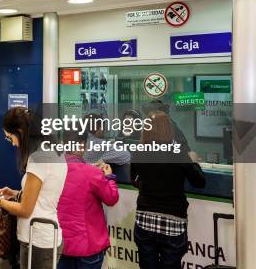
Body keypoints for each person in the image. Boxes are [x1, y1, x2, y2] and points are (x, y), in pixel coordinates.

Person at [0, 107, 67, 269]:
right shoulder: (55, 152)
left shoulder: (38, 159)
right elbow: (43, 195)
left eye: (10, 137)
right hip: (48, 237)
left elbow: (25, 209)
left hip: (37, 240)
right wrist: (15, 194)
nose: (13, 143)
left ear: (20, 131)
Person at [130, 111, 206, 269]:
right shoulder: (178, 153)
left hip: (145, 220)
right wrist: (193, 161)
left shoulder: (139, 151)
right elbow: (199, 182)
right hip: (173, 221)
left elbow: (134, 180)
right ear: (168, 129)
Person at [58, 128, 119, 269]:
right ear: (81, 145)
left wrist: (90, 168)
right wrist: (109, 177)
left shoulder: (55, 169)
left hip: (62, 245)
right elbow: (111, 198)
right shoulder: (91, 173)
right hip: (89, 246)